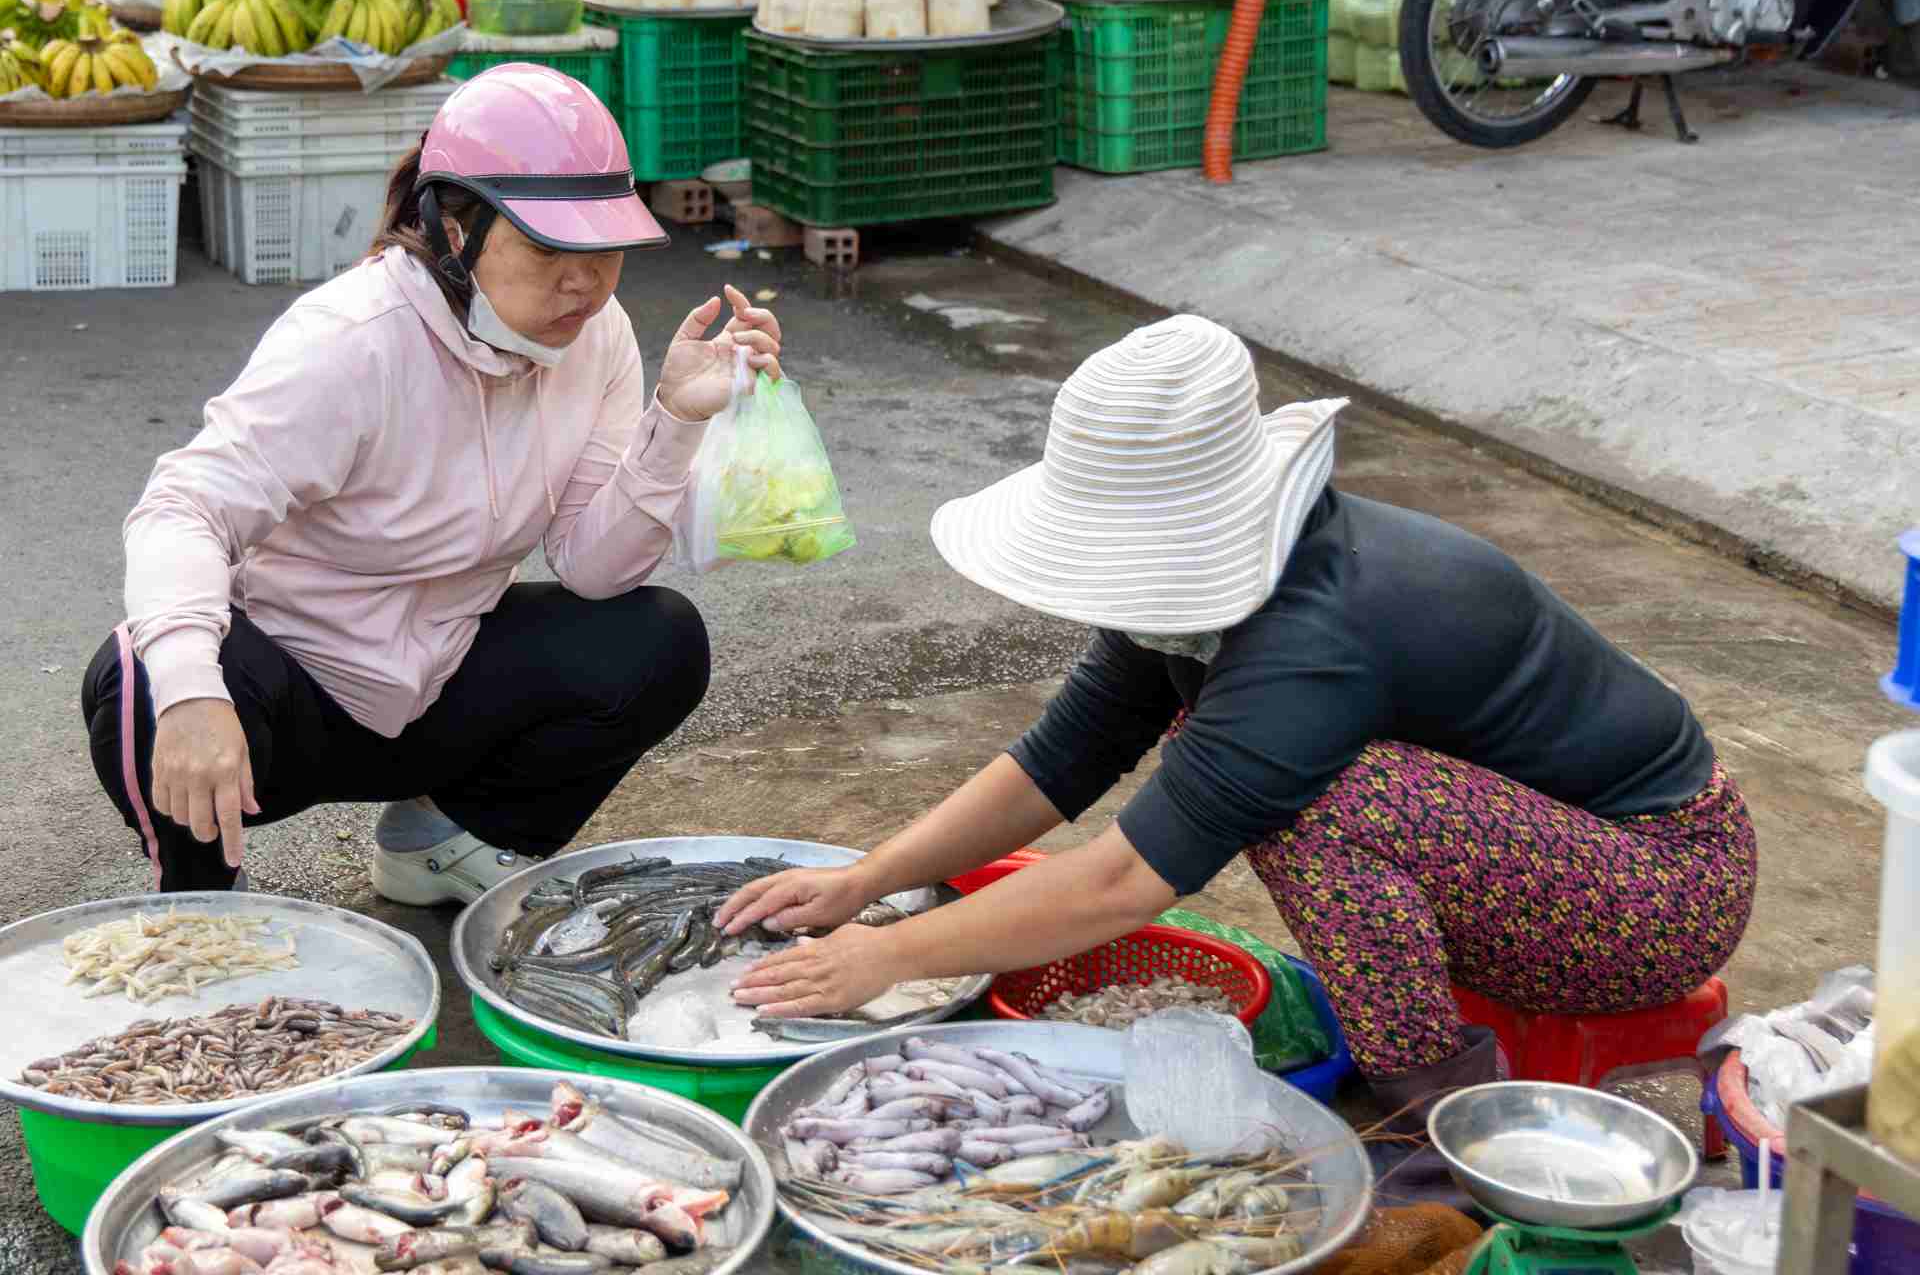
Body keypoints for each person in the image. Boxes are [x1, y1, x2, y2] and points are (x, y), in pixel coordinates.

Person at [718, 313, 1755, 1136]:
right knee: (1257, 772)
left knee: (1326, 804)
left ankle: (1438, 1110)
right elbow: (1060, 756)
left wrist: (886, 957)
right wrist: (870, 878)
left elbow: (1127, 879)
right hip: (1542, 854)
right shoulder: (1193, 595)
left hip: (1661, 886)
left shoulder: (1314, 637)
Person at [81, 64, 783, 905]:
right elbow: (181, 507)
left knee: (658, 638)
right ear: (455, 225)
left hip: (439, 684)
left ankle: (439, 843)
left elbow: (595, 570)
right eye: (549, 248)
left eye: (606, 251)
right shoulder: (354, 340)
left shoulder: (601, 339)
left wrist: (676, 417)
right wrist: (195, 693)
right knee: (138, 681)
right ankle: (202, 896)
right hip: (287, 698)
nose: (584, 284)